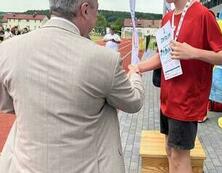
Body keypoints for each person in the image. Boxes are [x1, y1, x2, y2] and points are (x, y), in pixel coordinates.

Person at [0, 0, 144, 173]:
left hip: (26, 166)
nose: (97, 17)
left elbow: (7, 103)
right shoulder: (104, 59)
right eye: (96, 11)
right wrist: (135, 75)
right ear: (84, 10)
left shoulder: (8, 49)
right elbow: (133, 102)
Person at [129, 0, 222, 172]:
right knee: (170, 151)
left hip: (187, 100)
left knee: (179, 156)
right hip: (167, 98)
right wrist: (139, 67)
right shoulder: (167, 18)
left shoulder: (203, 15)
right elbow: (163, 56)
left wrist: (194, 53)